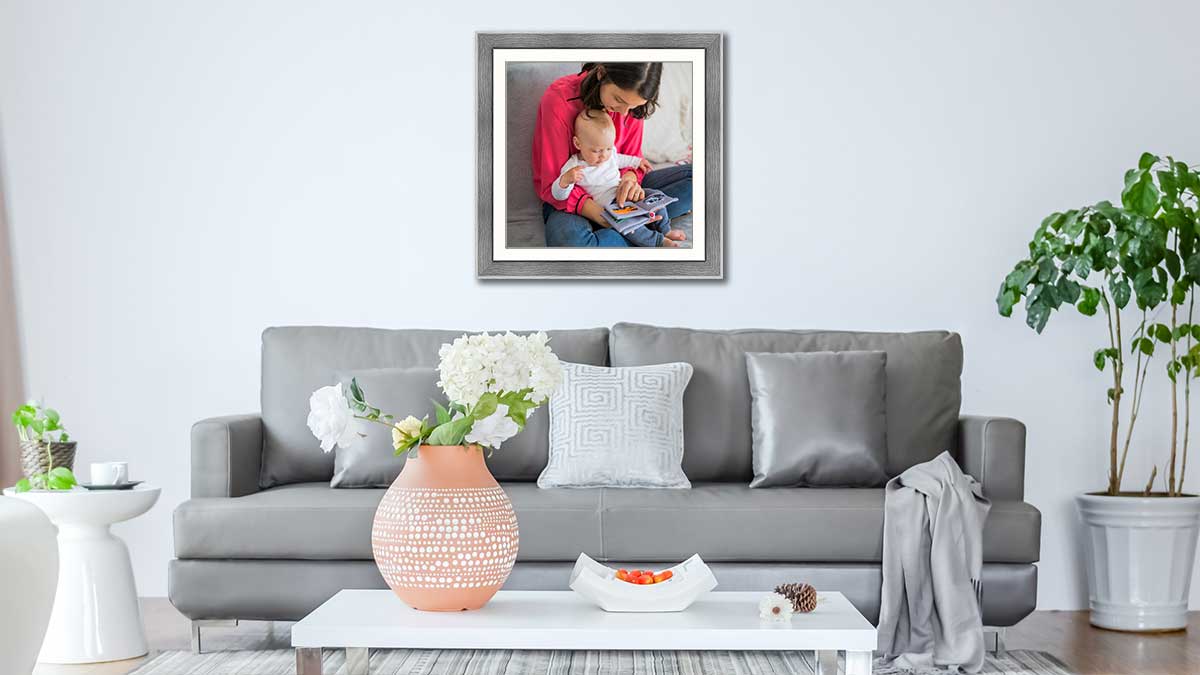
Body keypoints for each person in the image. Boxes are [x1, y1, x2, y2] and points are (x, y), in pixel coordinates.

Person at [532, 62, 693, 247]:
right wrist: (602, 215)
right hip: (570, 202)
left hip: (617, 189)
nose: (625, 112)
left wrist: (629, 181)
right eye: (619, 100)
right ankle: (641, 231)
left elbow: (630, 157)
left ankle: (632, 229)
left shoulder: (631, 106)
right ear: (601, 73)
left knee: (708, 178)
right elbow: (553, 183)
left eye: (633, 106)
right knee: (572, 245)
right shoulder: (558, 100)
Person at [552, 110, 686, 247]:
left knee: (657, 197)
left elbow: (621, 159)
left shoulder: (609, 154)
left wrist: (637, 161)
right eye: (596, 151)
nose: (603, 156)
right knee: (632, 226)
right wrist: (565, 181)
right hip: (610, 206)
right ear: (578, 143)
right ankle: (658, 241)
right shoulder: (574, 165)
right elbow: (558, 195)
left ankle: (665, 230)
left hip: (626, 192)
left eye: (608, 148)